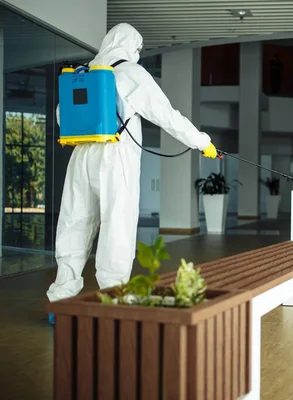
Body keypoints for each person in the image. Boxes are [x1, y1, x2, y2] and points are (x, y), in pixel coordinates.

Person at [46, 23, 217, 321]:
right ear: (130, 46)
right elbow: (167, 116)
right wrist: (202, 142)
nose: (137, 53)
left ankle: (61, 300)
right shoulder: (129, 72)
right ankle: (114, 298)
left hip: (81, 156)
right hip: (115, 157)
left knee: (74, 223)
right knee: (117, 224)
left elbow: (63, 116)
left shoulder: (84, 72)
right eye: (137, 48)